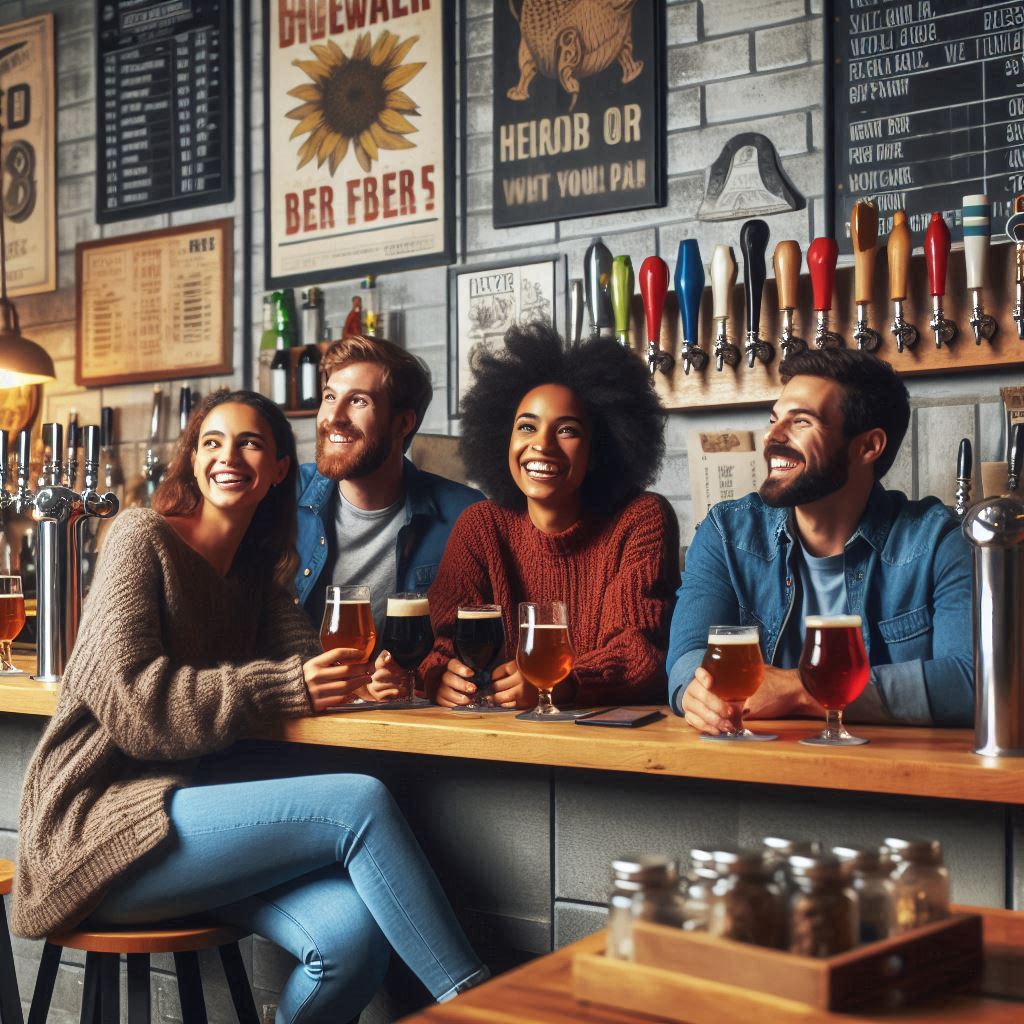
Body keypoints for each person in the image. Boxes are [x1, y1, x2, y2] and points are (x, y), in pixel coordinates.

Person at [13, 390, 487, 1023]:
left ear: (280, 469)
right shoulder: (140, 536)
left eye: (250, 443)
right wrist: (288, 684)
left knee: (351, 942)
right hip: (97, 829)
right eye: (212, 442)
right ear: (192, 459)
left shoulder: (259, 577)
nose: (228, 457)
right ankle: (486, 1008)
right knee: (357, 802)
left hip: (192, 831)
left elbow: (311, 669)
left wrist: (364, 679)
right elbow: (135, 704)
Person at [669, 349, 973, 733]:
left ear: (868, 446)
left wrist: (801, 690)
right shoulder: (727, 533)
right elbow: (686, 656)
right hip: (756, 772)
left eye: (801, 422)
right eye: (774, 419)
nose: (771, 437)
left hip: (895, 776)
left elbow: (971, 681)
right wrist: (694, 695)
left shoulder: (938, 542)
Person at [422, 322, 679, 709]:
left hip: (608, 749)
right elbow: (444, 640)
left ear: (598, 451)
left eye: (567, 431)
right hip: (497, 744)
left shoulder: (641, 520)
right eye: (527, 427)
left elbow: (640, 653)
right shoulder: (481, 527)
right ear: (503, 439)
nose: (541, 445)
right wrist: (442, 676)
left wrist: (559, 684)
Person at [295, 333, 483, 634]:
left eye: (358, 401)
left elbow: (487, 636)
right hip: (302, 680)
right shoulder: (284, 494)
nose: (334, 416)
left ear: (403, 424)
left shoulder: (467, 516)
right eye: (330, 397)